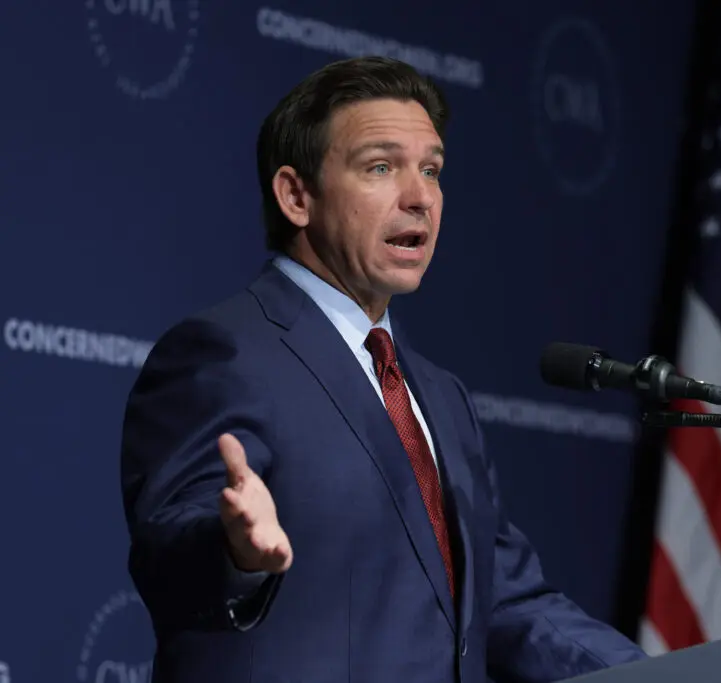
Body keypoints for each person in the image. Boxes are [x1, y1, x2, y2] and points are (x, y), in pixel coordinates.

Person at [119, 56, 648, 683]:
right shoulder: (224, 352)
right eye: (380, 167)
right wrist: (234, 549)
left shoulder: (441, 396)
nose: (420, 197)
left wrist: (674, 677)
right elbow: (171, 548)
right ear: (296, 195)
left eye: (431, 170)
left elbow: (505, 600)